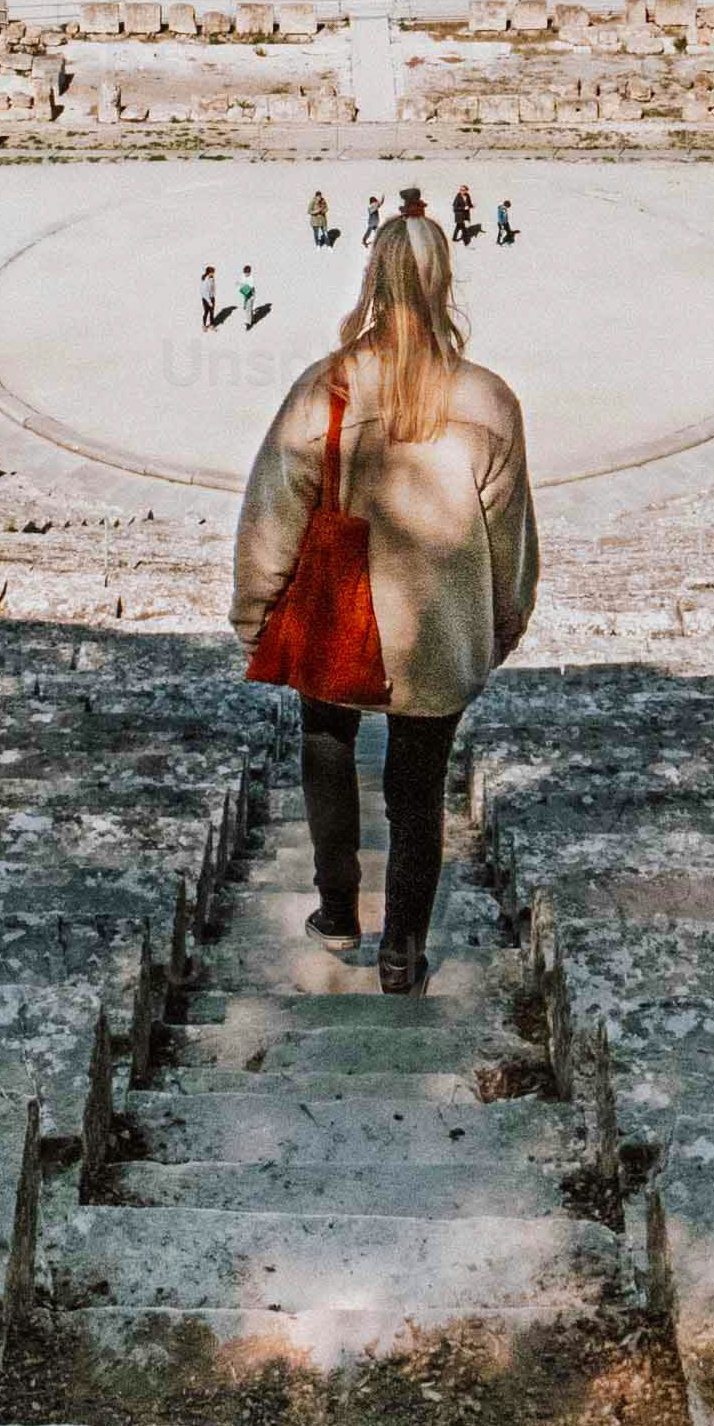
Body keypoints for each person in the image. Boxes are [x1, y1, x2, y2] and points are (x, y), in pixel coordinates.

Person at [231, 209, 536, 999]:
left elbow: (275, 510)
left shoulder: (325, 384)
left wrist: (255, 611)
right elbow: (512, 539)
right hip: (440, 629)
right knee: (418, 793)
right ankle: (402, 951)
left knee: (326, 748)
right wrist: (499, 626)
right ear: (443, 285)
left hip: (342, 614)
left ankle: (337, 911)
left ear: (374, 280)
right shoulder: (490, 401)